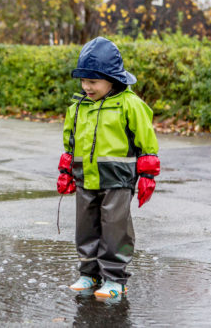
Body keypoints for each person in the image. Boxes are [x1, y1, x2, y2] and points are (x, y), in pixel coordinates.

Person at [57, 37, 160, 298]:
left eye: (93, 81)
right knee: (86, 226)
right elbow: (70, 141)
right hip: (85, 177)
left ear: (111, 79)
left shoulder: (130, 104)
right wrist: (67, 169)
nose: (86, 87)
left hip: (118, 178)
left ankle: (115, 277)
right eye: (83, 81)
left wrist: (147, 175)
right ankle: (88, 273)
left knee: (115, 228)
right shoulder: (78, 107)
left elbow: (146, 141)